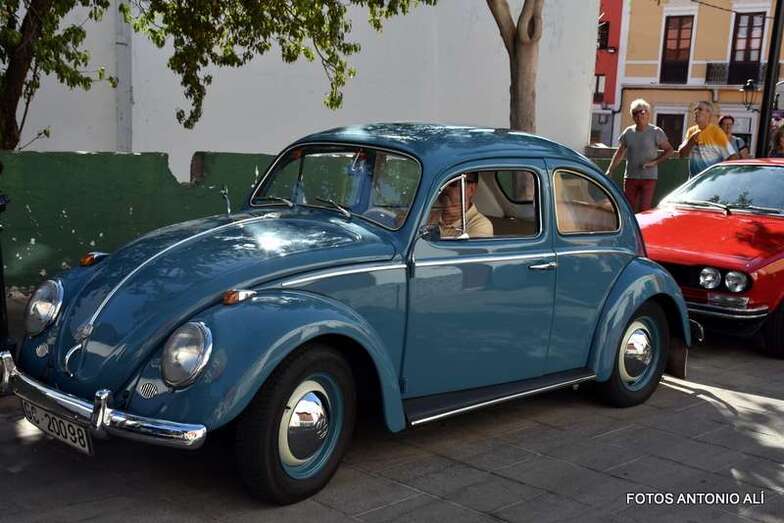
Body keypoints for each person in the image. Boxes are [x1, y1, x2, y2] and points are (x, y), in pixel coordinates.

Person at [605, 99, 673, 213]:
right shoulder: (628, 132)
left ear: (648, 114)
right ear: (632, 116)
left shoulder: (656, 132)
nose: (639, 115)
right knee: (628, 208)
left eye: (642, 112)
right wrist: (610, 170)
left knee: (644, 209)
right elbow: (620, 152)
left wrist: (654, 162)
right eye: (635, 113)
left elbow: (669, 150)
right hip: (631, 176)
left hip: (649, 178)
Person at [679, 101, 737, 178]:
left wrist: (719, 174)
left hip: (711, 181)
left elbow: (732, 157)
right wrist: (691, 142)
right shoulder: (691, 131)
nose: (696, 112)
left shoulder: (717, 132)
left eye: (700, 109)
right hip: (694, 181)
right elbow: (682, 155)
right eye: (695, 109)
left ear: (708, 113)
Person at [431, 172, 493, 238]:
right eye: (442, 183)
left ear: (471, 189)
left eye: (453, 183)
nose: (445, 188)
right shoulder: (429, 215)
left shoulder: (481, 225)